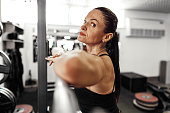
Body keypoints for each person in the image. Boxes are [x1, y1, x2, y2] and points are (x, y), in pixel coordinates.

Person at [46, 7, 120, 113]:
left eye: (93, 24)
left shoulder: (102, 63)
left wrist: (62, 56)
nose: (83, 26)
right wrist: (62, 54)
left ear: (107, 37)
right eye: (84, 22)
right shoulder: (92, 57)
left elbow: (70, 66)